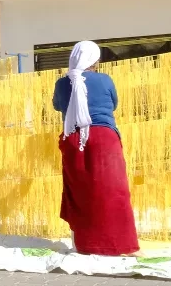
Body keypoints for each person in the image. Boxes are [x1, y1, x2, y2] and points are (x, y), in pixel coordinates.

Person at [52, 41, 140, 257]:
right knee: (114, 192)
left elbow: (56, 105)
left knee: (80, 193)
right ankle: (121, 246)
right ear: (94, 60)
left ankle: (84, 245)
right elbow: (113, 103)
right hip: (104, 139)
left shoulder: (62, 83)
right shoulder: (104, 80)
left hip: (74, 139)